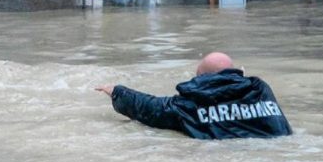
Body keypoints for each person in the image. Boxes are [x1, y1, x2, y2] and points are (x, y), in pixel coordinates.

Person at [95, 52, 292, 140]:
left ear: (202, 79)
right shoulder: (260, 89)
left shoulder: (190, 103)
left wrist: (116, 91)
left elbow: (152, 109)